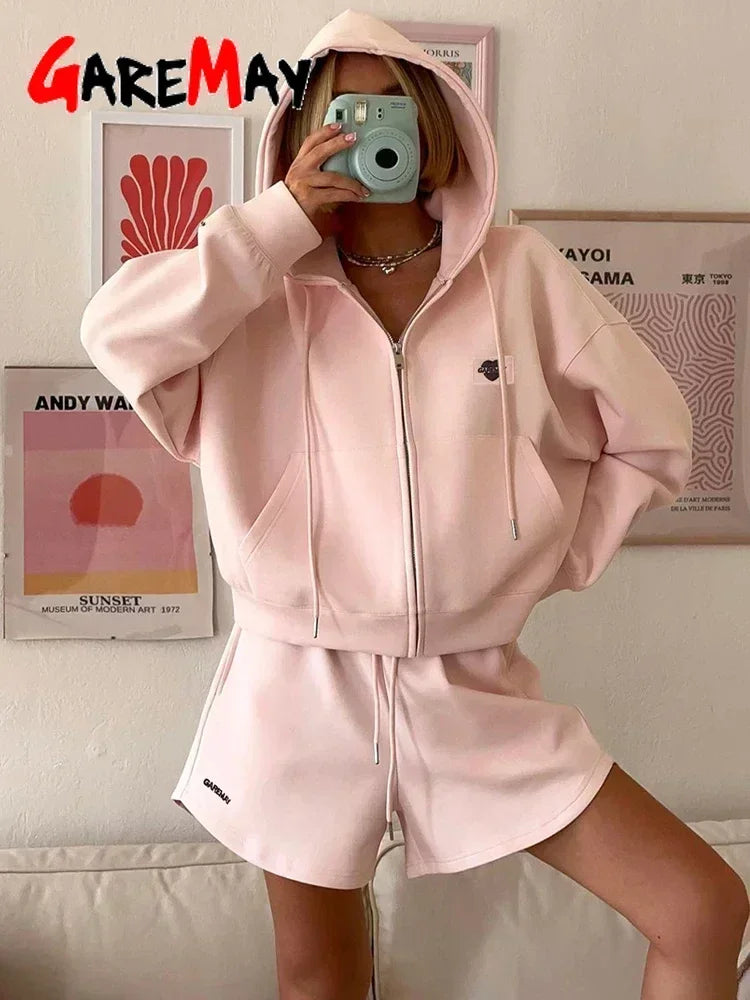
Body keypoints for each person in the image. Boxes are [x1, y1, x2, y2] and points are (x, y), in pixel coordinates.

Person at [79, 9, 748, 1000]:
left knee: (701, 906)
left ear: (434, 121)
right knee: (320, 975)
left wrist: (541, 557)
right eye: (342, 110)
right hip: (296, 684)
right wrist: (280, 223)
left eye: (391, 105)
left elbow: (656, 433)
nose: (368, 130)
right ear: (304, 128)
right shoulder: (253, 285)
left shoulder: (520, 274)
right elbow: (116, 336)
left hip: (472, 682)